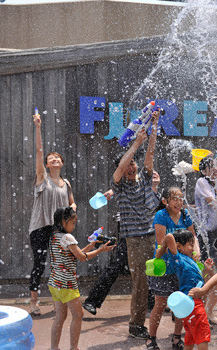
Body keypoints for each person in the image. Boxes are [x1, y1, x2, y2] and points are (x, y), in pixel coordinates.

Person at [82, 170, 160, 316]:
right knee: (117, 266)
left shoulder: (156, 194)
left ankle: (151, 304)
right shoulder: (136, 186)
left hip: (147, 235)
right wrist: (111, 192)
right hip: (130, 232)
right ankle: (92, 300)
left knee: (148, 267)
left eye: (157, 175)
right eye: (152, 175)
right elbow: (125, 186)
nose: (155, 175)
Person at [111, 110, 161, 339]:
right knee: (141, 283)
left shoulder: (145, 179)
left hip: (152, 236)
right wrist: (135, 144)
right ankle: (136, 325)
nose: (132, 167)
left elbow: (150, 153)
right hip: (135, 240)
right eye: (129, 164)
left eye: (134, 164)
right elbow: (120, 168)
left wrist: (154, 128)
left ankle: (165, 317)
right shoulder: (119, 186)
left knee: (161, 276)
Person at [28, 109, 76, 316]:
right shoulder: (42, 178)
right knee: (39, 264)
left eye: (58, 158)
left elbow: (73, 204)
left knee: (61, 263)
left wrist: (72, 210)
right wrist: (38, 128)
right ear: (47, 165)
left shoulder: (66, 183)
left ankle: (60, 298)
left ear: (62, 163)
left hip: (59, 230)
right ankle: (33, 301)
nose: (54, 159)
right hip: (40, 227)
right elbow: (39, 151)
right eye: (51, 158)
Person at [48, 207, 114, 350]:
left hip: (55, 283)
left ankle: (54, 347)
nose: (74, 226)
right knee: (78, 314)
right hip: (67, 284)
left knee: (60, 316)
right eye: (72, 222)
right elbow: (82, 257)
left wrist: (90, 246)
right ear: (63, 222)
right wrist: (100, 250)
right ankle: (74, 347)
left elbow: (73, 254)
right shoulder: (68, 238)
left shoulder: (54, 236)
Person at [147, 187, 199, 350]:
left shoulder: (186, 215)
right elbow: (163, 241)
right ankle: (151, 339)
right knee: (160, 304)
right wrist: (179, 254)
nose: (179, 202)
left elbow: (193, 237)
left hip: (181, 268)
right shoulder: (161, 216)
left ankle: (177, 338)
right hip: (166, 268)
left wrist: (195, 250)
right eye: (175, 198)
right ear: (165, 201)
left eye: (181, 198)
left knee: (181, 303)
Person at [153, 230, 214, 350]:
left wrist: (206, 270)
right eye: (190, 244)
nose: (193, 248)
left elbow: (198, 281)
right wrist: (161, 251)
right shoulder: (178, 259)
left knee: (190, 337)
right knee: (203, 333)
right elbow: (169, 237)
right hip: (193, 303)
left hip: (191, 303)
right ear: (179, 246)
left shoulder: (189, 260)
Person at [194, 155, 217, 325]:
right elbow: (212, 202)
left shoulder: (216, 184)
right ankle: (202, 312)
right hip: (206, 235)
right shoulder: (202, 182)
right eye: (213, 166)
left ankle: (208, 312)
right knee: (208, 275)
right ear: (204, 169)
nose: (216, 169)